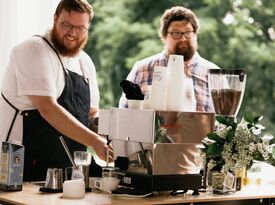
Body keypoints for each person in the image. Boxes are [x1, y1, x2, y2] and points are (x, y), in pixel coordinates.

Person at [0, 0, 111, 181]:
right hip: (22, 168)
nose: (72, 33)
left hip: (68, 171)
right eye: (66, 25)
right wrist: (95, 141)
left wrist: (113, 134)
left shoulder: (84, 61)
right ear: (55, 19)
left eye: (80, 28)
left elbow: (90, 114)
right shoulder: (34, 49)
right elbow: (47, 108)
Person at [119, 6, 219, 111]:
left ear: (195, 34)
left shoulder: (214, 73)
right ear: (163, 36)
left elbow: (224, 122)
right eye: (176, 33)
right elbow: (125, 113)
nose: (183, 38)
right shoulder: (142, 69)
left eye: (188, 32)